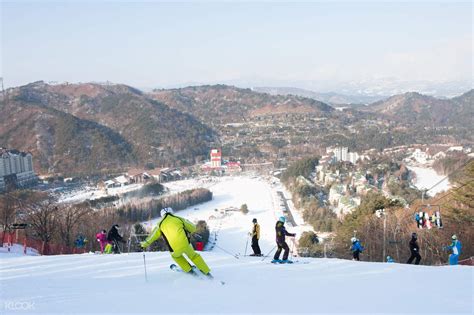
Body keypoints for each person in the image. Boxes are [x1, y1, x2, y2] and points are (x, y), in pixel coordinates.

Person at [140, 207, 211, 276]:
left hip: (174, 248)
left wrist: (144, 244)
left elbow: (152, 236)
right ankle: (206, 272)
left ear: (162, 215)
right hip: (186, 244)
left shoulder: (160, 224)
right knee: (194, 256)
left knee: (176, 257)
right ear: (171, 212)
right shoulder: (179, 219)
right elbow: (193, 227)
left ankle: (189, 270)